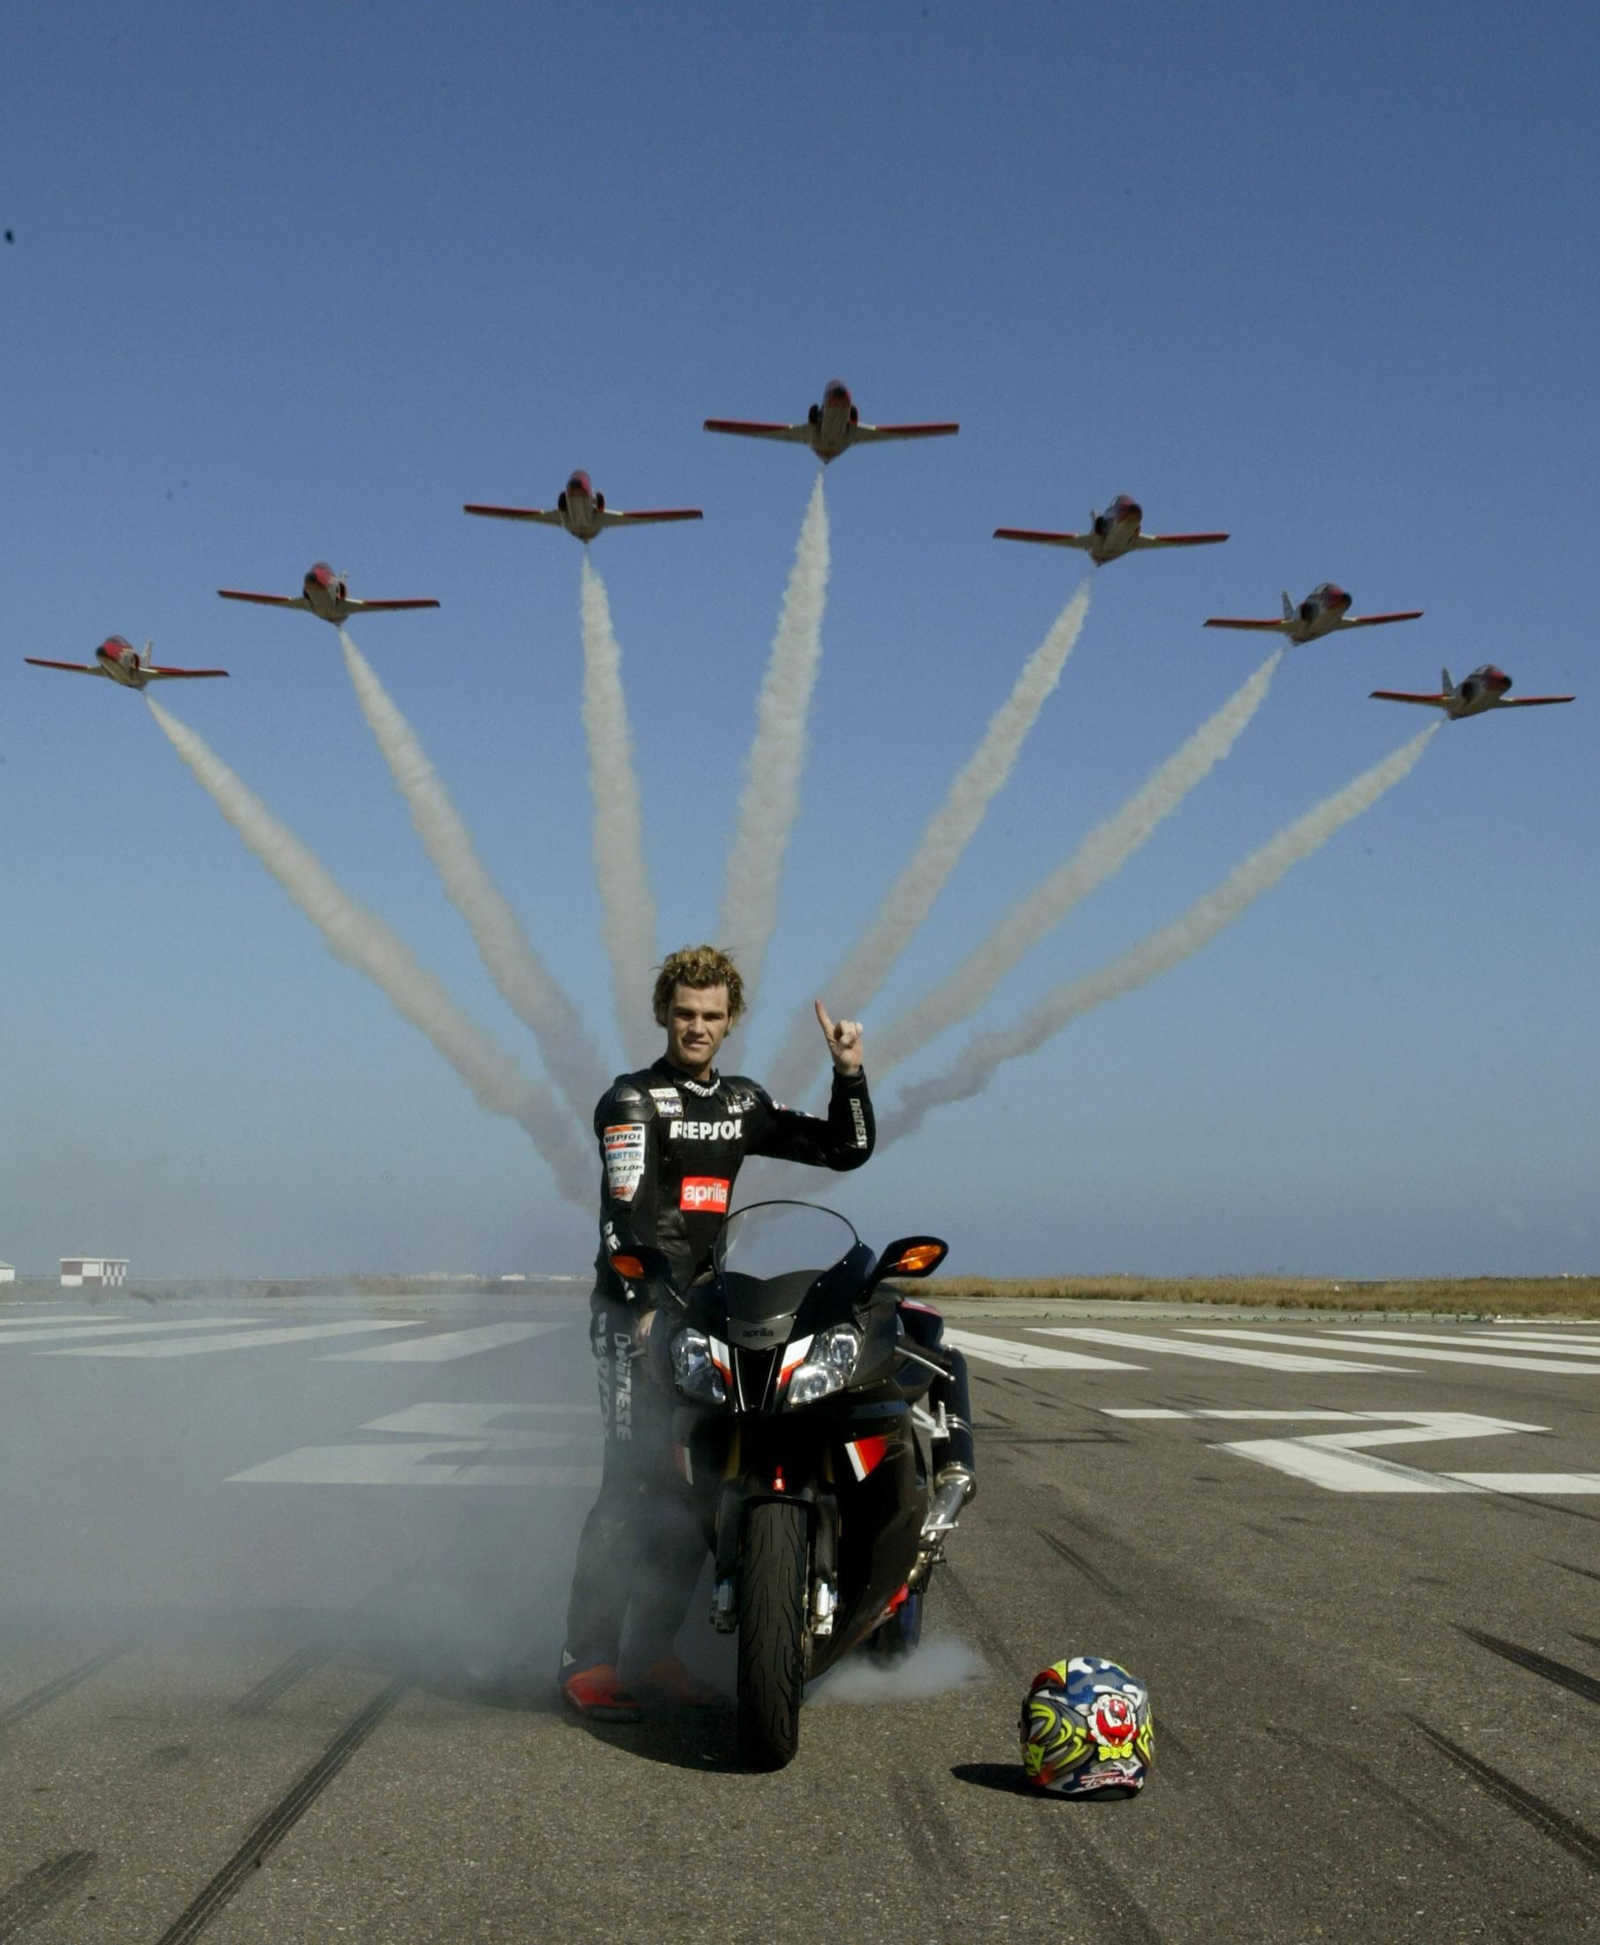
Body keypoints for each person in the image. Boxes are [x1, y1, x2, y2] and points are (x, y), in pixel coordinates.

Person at [560, 944, 876, 1721]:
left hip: (706, 1318)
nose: (696, 1026)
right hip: (635, 1317)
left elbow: (846, 1147)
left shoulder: (741, 1102)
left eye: (711, 1015)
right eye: (684, 1013)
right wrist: (639, 1302)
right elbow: (622, 1218)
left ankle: (657, 1651)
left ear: (731, 1021)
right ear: (663, 1014)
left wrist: (849, 1072)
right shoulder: (631, 1099)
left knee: (696, 1487)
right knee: (631, 1485)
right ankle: (590, 1657)